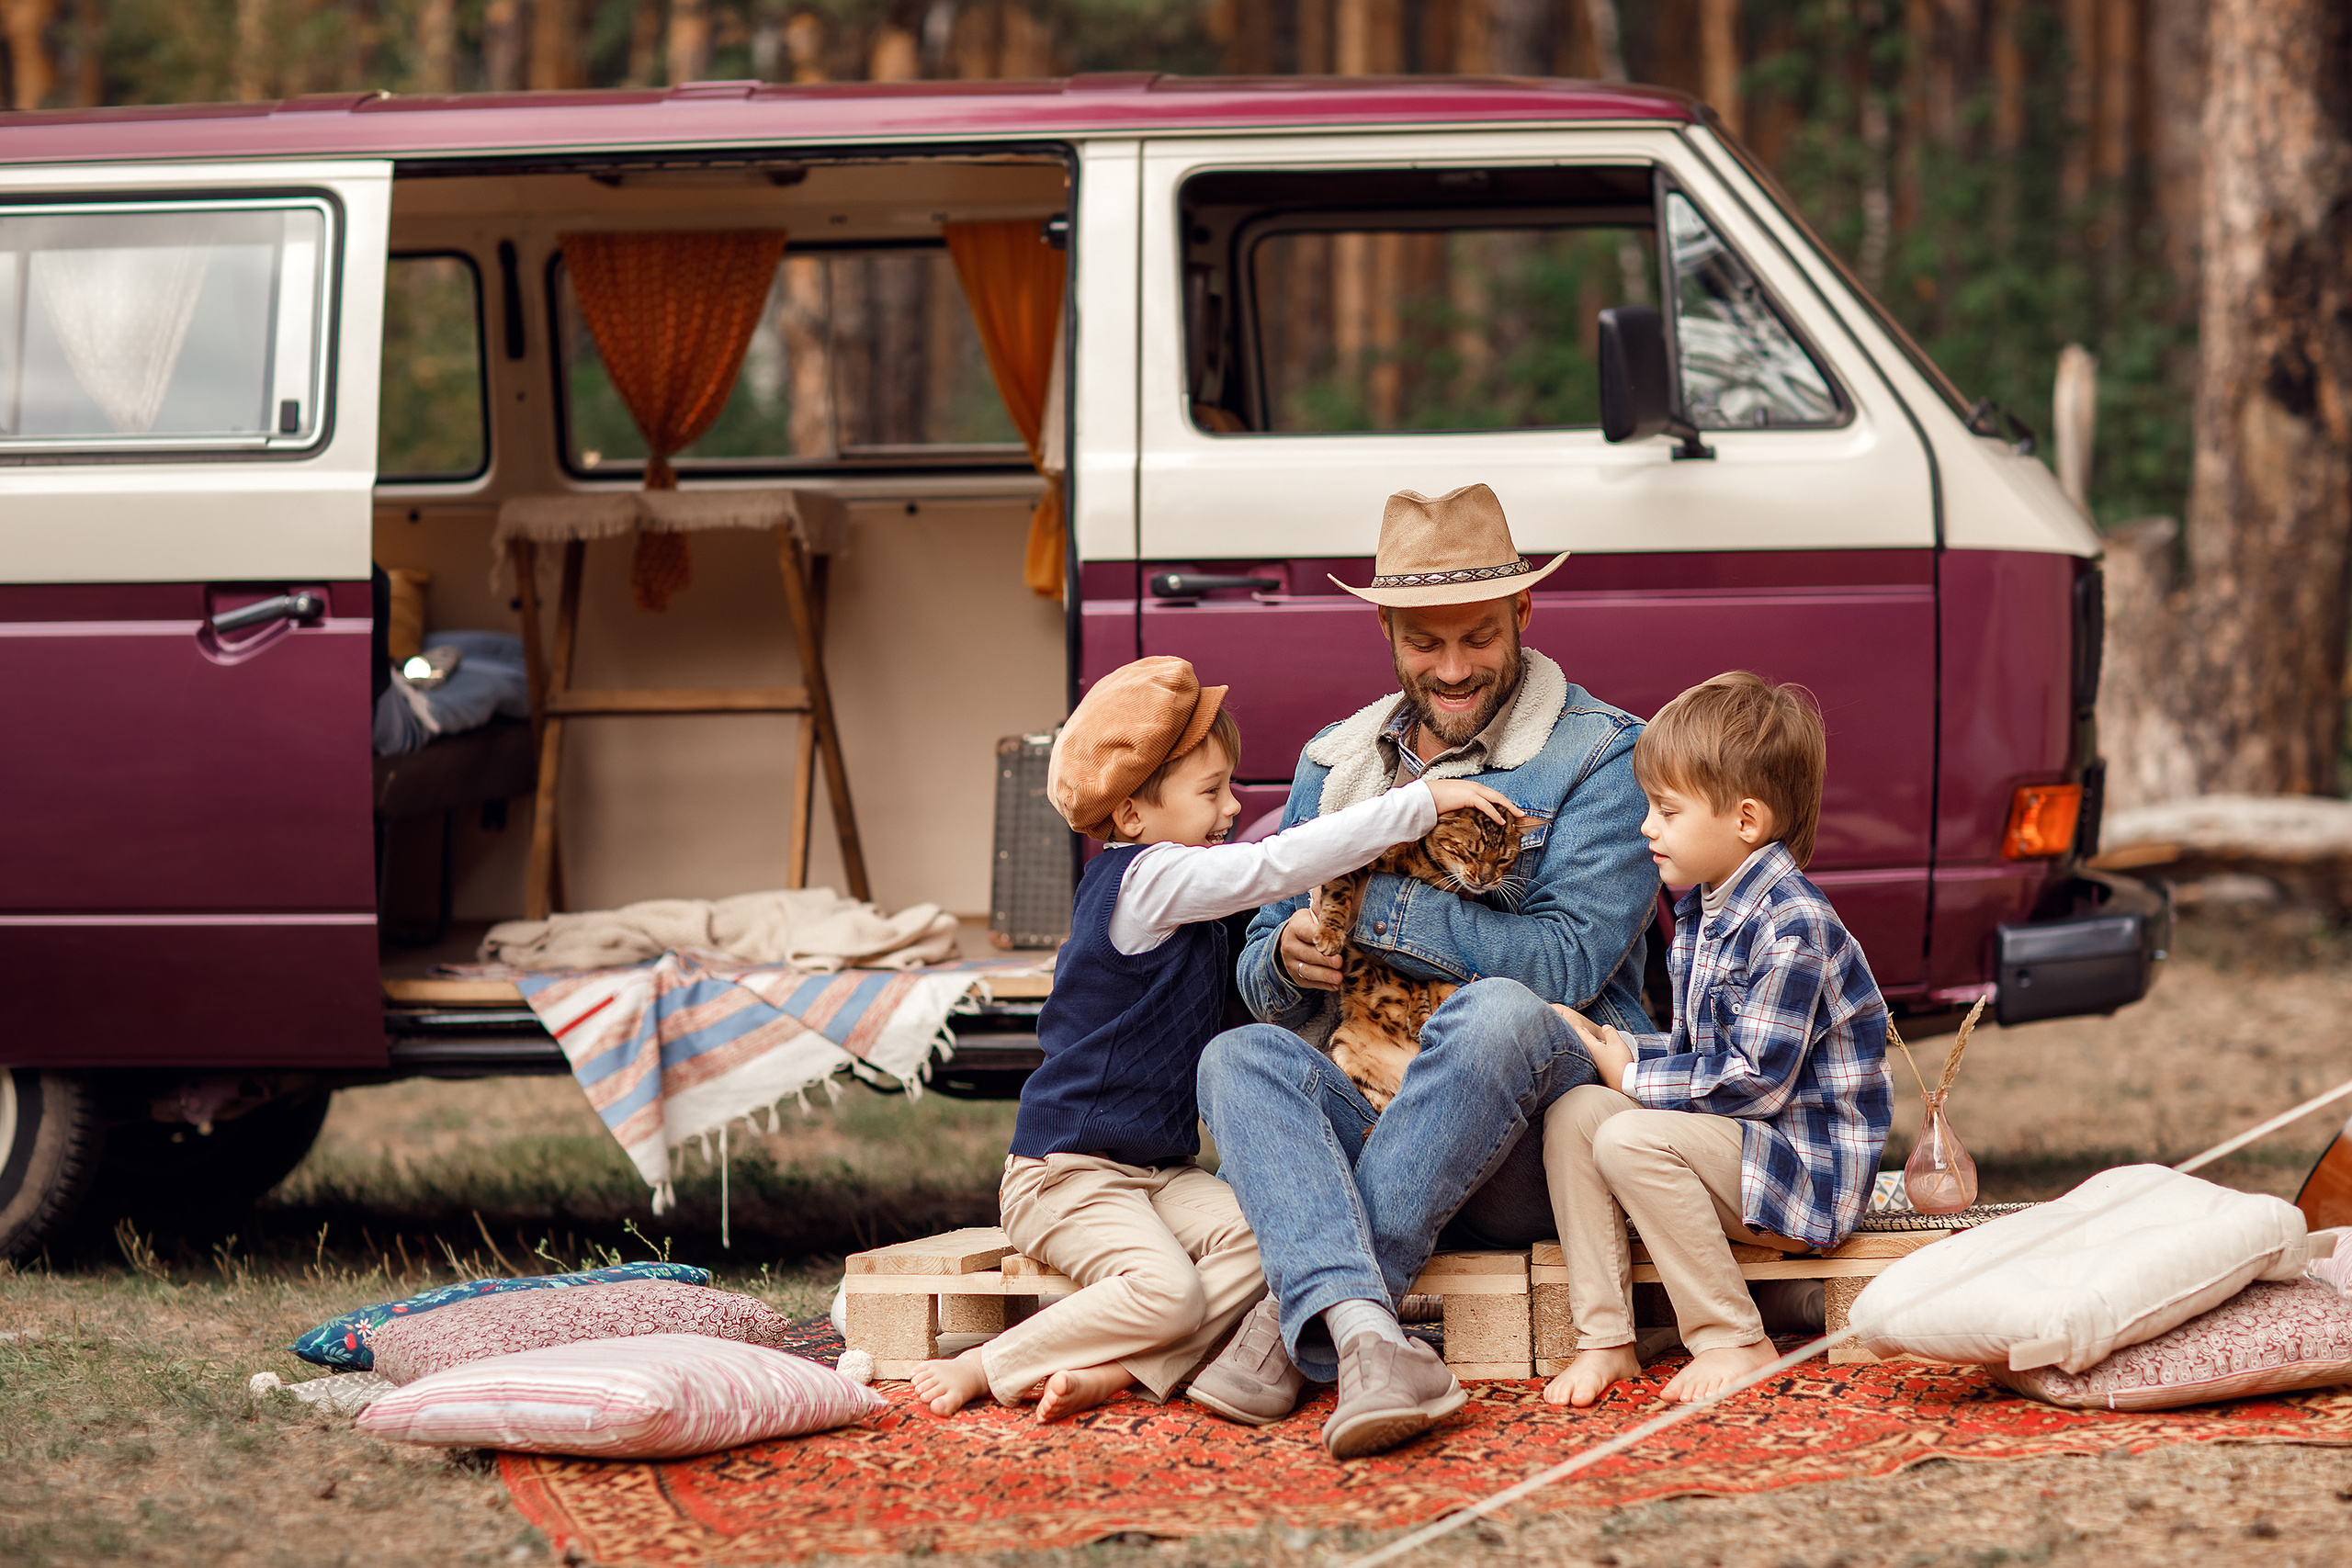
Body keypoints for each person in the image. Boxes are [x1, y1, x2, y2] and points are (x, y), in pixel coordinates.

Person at [910, 655, 1518, 1422]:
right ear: (1131, 814)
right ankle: (992, 1361)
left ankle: (1122, 1367)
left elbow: (1256, 918)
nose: (1231, 807)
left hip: (1160, 1172)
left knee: (1281, 1244)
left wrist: (1293, 941)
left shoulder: (1186, 886)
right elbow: (1271, 865)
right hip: (1068, 1172)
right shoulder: (1147, 879)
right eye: (1210, 792)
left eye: (1230, 786)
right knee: (1166, 1290)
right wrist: (1417, 804)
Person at [1186, 484, 1658, 1459]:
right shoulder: (1336, 762)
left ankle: (1289, 1326)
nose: (1450, 669)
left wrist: (1372, 908)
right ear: (1388, 631)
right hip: (1377, 1118)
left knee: (1494, 1014)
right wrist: (1285, 955)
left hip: (1525, 1152)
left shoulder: (1602, 755)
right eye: (1422, 642)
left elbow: (1565, 964)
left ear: (1523, 614)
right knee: (1238, 1060)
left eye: (1477, 639)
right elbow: (1257, 970)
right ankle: (1366, 1338)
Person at [1541, 671, 1892, 1409]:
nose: (1646, 827)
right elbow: (1707, 1049)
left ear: (1745, 820)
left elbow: (1755, 1079)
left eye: (1666, 809)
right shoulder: (1709, 905)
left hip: (1804, 1178)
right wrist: (1624, 1050)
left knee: (1629, 1137)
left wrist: (1633, 1080)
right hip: (1741, 1148)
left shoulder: (1794, 923)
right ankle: (1607, 1336)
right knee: (1577, 1115)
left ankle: (1734, 1336)